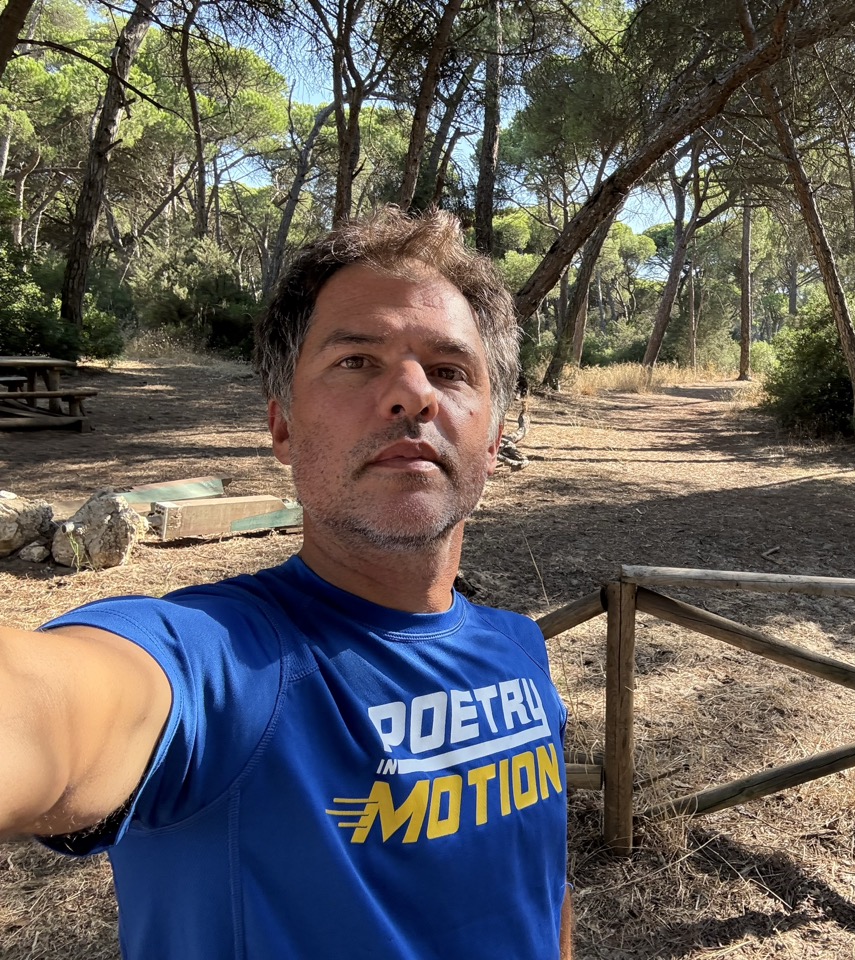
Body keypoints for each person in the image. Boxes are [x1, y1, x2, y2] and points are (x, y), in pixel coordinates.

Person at [0, 209, 573, 959]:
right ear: (283, 428)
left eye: (449, 370)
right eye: (357, 360)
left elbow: (541, 891)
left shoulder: (520, 648)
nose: (412, 394)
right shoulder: (215, 664)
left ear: (493, 439)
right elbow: (49, 706)